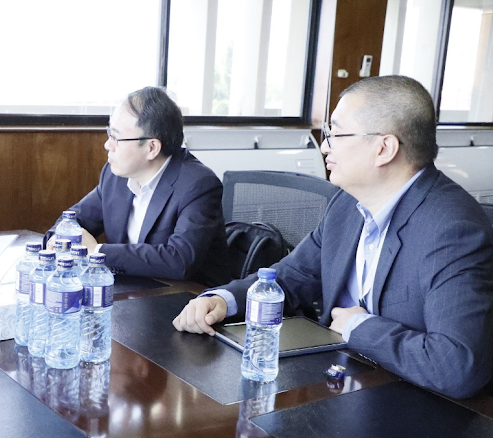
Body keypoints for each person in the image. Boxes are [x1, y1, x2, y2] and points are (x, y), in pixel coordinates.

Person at [173, 75, 493, 399]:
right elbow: (291, 277)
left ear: (384, 148)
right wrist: (222, 301)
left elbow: (457, 366)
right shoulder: (347, 203)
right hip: (340, 383)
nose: (325, 146)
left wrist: (360, 327)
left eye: (336, 133)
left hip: (413, 404)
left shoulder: (452, 230)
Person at [44, 87, 229, 287]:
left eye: (116, 138)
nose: (108, 145)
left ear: (152, 148)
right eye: (109, 133)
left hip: (189, 301)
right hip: (133, 292)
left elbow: (179, 260)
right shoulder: (115, 176)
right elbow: (74, 219)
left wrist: (97, 251)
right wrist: (58, 239)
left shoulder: (198, 185)